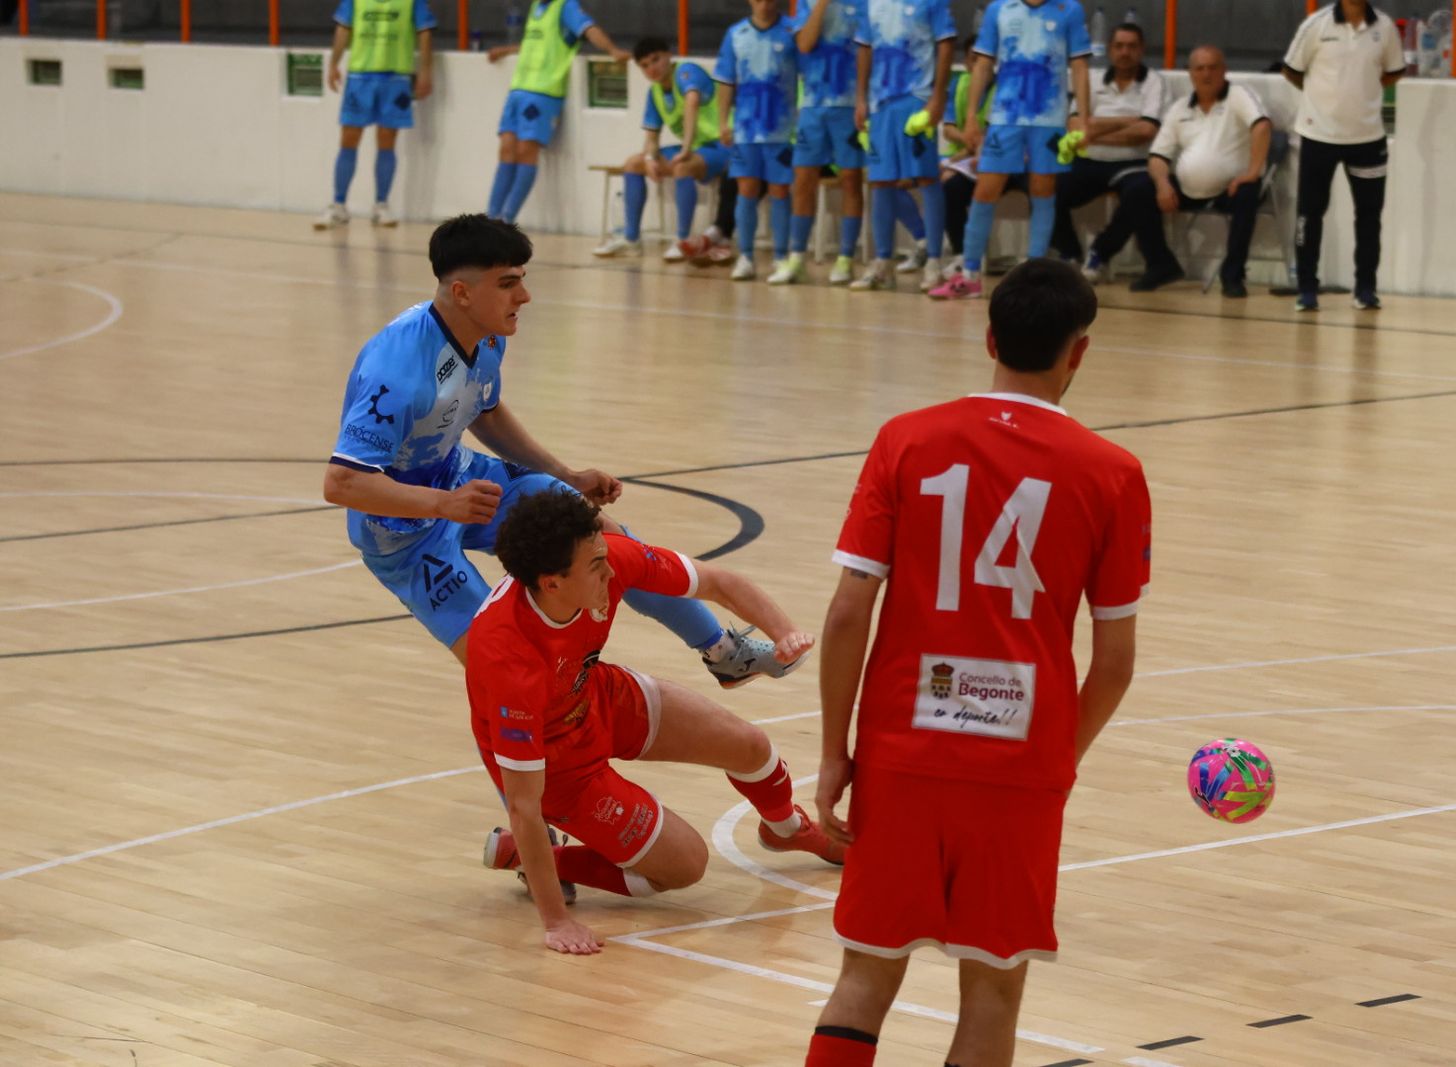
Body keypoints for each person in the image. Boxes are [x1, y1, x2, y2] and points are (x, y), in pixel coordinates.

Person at [807, 258, 1148, 1066]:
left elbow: (850, 607)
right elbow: (1116, 661)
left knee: (864, 975)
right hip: (1020, 766)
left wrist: (834, 750)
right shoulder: (1114, 472)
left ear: (989, 337)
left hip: (902, 748)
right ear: (1080, 352)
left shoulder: (907, 439)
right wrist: (1055, 761)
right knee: (993, 990)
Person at [322, 214, 798, 688]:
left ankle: (723, 653)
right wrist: (444, 506)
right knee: (514, 675)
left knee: (608, 541)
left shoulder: (484, 334)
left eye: (523, 281)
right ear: (462, 292)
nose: (524, 297)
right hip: (399, 531)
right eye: (508, 284)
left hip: (462, 479)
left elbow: (484, 410)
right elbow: (342, 483)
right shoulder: (397, 372)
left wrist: (562, 474)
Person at [470, 489, 845, 954]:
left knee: (749, 745)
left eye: (604, 556)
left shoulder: (601, 556)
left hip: (591, 692)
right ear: (551, 584)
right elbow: (524, 805)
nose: (611, 571)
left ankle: (787, 830)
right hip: (558, 766)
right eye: (596, 567)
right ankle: (539, 858)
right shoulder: (507, 659)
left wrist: (784, 632)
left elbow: (719, 582)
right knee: (684, 866)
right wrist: (557, 923)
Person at [929, 0, 1092, 301]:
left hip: (1049, 119)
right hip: (1004, 117)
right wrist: (971, 118)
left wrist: (1082, 117)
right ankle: (969, 275)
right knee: (985, 190)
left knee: (1042, 190)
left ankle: (1034, 278)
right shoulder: (998, 10)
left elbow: (1080, 66)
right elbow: (983, 64)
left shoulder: (1068, 9)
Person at [1282, 0, 1405, 311]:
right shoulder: (1315, 25)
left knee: (1369, 216)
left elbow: (1392, 72)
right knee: (1309, 215)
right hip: (1317, 137)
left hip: (1367, 139)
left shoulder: (1385, 28)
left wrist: (1361, 94)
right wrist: (1321, 102)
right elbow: (1292, 70)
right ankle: (1307, 288)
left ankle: (1365, 289)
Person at [1050, 22, 1182, 290]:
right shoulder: (1094, 79)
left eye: (1132, 47)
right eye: (1119, 46)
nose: (1125, 52)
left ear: (1142, 50)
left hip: (1132, 162)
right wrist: (1125, 121)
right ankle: (1071, 254)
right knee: (1045, 188)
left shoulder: (1154, 82)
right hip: (1089, 160)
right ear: (1109, 50)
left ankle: (1100, 252)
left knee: (1140, 192)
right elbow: (1074, 124)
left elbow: (1146, 129)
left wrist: (1094, 128)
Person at [484, 0, 629, 224]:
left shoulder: (565, 6)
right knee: (506, 149)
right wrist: (506, 50)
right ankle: (490, 218)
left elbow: (588, 28)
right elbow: (536, 44)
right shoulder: (536, 7)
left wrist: (612, 50)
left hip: (543, 92)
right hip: (518, 89)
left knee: (526, 151)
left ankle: (507, 219)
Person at [591, 37, 734, 261]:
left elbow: (692, 103)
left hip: (723, 146)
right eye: (645, 65)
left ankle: (682, 239)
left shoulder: (686, 72)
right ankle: (631, 239)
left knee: (682, 167)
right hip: (697, 149)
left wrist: (685, 148)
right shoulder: (655, 93)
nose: (652, 68)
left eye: (656, 60)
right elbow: (651, 135)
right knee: (634, 163)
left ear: (669, 55)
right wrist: (649, 157)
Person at [1145, 46, 1271, 298]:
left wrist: (1252, 172)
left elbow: (1262, 125)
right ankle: (1160, 264)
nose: (1206, 74)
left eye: (1213, 67)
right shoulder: (1180, 108)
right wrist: (1162, 184)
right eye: (1200, 68)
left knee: (1248, 193)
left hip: (1231, 188)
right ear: (1190, 73)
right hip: (1187, 189)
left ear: (1224, 70)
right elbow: (1158, 156)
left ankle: (1232, 276)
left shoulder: (1238, 95)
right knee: (1138, 188)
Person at [848, 0, 956, 293]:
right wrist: (860, 99)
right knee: (881, 182)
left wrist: (937, 98)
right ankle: (883, 263)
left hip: (917, 99)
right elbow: (865, 48)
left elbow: (946, 45)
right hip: (880, 103)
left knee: (925, 178)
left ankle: (934, 260)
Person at [314, 0, 436, 230]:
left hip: (396, 78)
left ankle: (381, 204)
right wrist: (333, 64)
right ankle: (338, 205)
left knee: (387, 140)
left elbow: (425, 32)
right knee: (349, 138)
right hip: (360, 77)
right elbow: (343, 28)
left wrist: (425, 71)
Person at [714, 0, 802, 283]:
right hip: (746, 131)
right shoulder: (735, 34)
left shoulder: (792, 30)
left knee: (779, 190)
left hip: (782, 131)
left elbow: (806, 75)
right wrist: (723, 122)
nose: (764, 3)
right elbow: (726, 81)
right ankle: (746, 256)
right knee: (747, 190)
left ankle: (780, 257)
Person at [782, 0, 868, 286]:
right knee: (804, 179)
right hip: (813, 105)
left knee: (851, 179)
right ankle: (797, 257)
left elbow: (870, 51)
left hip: (849, 105)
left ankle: (845, 258)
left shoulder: (865, 4)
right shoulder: (806, 4)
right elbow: (805, 44)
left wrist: (863, 100)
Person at [936, 35, 1001, 271]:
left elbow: (993, 137)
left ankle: (970, 255)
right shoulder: (959, 84)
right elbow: (949, 129)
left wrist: (956, 157)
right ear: (966, 63)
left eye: (984, 60)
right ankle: (956, 252)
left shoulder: (1003, 87)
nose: (978, 66)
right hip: (965, 156)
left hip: (996, 157)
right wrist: (966, 144)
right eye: (974, 60)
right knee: (937, 181)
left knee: (950, 179)